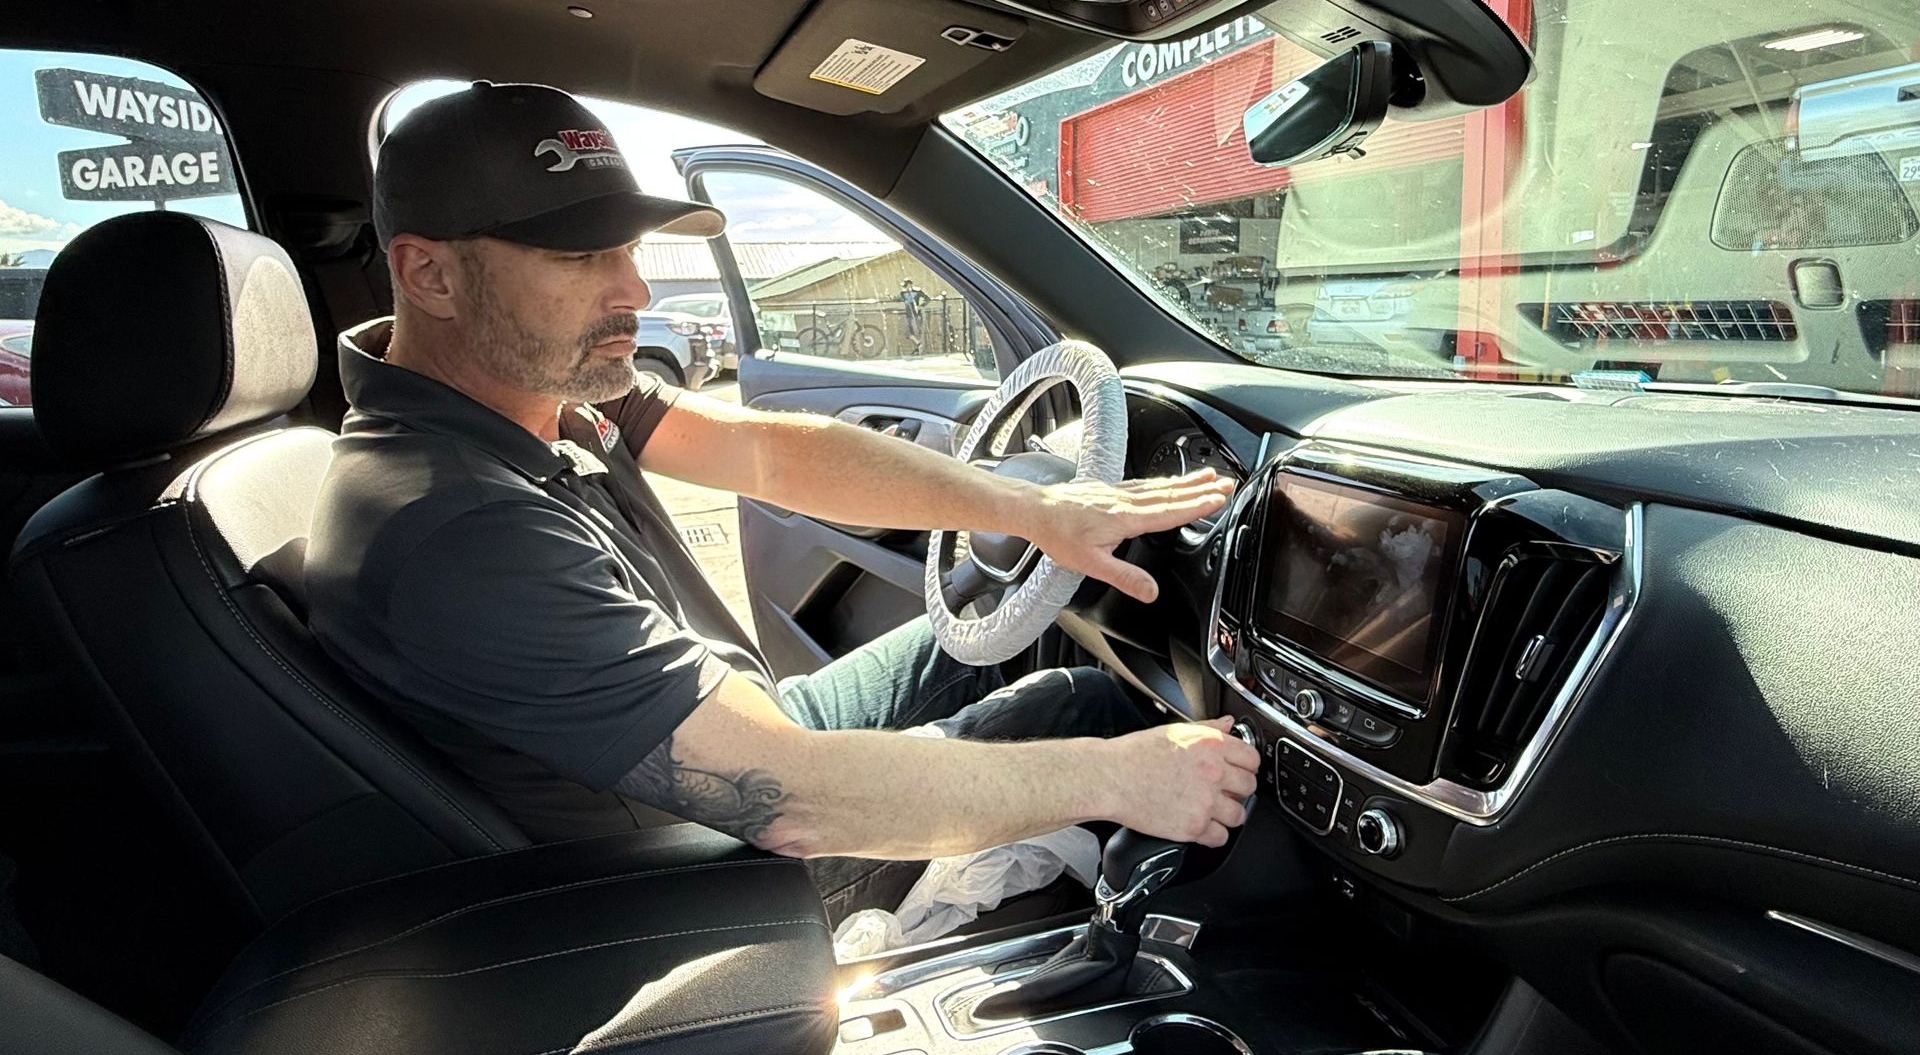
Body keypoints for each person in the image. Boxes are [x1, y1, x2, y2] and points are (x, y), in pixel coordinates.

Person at [305, 81, 1258, 923]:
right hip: (708, 869)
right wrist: (1127, 776)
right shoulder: (453, 525)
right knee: (1086, 709)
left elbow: (763, 451)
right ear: (429, 273)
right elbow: (791, 798)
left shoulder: (529, 391)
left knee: (985, 614)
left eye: (629, 249)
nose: (634, 288)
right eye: (577, 256)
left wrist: (1026, 508)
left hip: (741, 725)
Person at [899, 278, 931, 346]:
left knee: (916, 330)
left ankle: (919, 344)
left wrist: (921, 305)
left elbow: (927, 298)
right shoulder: (903, 294)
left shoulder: (917, 292)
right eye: (905, 286)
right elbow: (896, 298)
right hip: (909, 315)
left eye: (907, 285)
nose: (906, 287)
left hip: (916, 314)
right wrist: (889, 296)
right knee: (909, 332)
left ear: (910, 285)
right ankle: (918, 343)